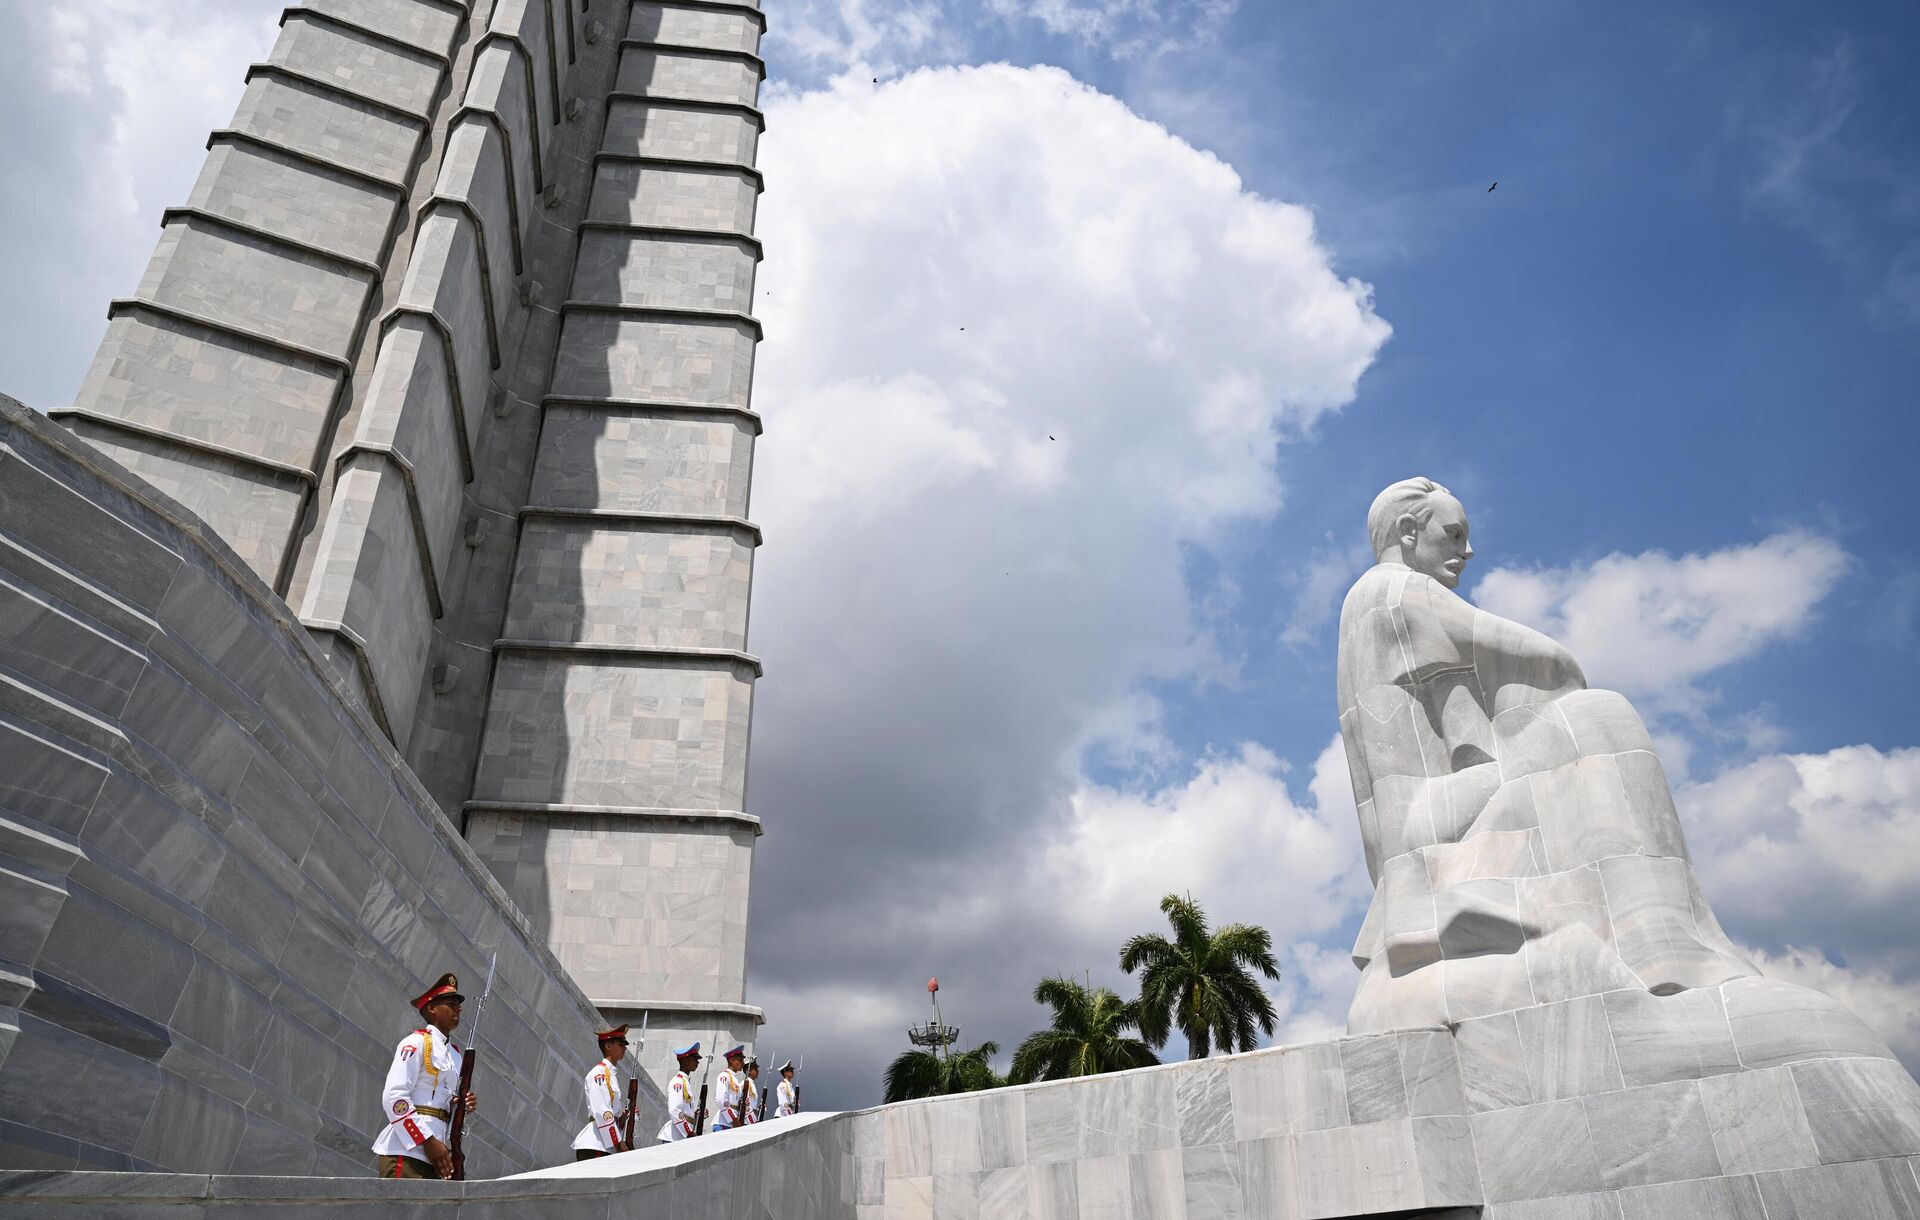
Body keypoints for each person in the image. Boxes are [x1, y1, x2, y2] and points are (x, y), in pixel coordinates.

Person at [372, 972, 479, 1179]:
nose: (458, 1008)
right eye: (450, 1003)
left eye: (458, 1004)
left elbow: (442, 1102)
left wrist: (462, 1105)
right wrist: (428, 1142)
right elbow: (395, 1098)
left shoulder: (456, 1056)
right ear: (431, 1008)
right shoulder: (416, 1043)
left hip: (440, 1152)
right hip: (409, 1148)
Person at [571, 1024, 632, 1160]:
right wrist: (618, 1143)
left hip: (605, 1144)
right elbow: (602, 1111)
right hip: (596, 1145)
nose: (625, 1048)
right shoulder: (600, 1074)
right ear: (608, 1046)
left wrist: (622, 1118)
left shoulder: (610, 1073)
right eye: (621, 1044)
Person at [657, 1041, 702, 1142]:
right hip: (675, 1137)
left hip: (682, 1135)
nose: (697, 1062)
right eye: (694, 1059)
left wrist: (697, 1114)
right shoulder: (678, 1082)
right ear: (685, 1060)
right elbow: (675, 1110)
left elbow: (685, 1110)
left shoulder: (685, 1081)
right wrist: (688, 1133)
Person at [710, 1045, 748, 1131]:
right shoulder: (724, 1076)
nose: (743, 1063)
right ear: (731, 1060)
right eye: (740, 1060)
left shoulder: (735, 1079)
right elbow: (721, 1100)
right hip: (724, 1123)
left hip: (731, 1123)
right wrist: (733, 1120)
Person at [742, 1058, 761, 1124]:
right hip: (746, 1120)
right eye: (755, 1069)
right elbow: (745, 1103)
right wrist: (752, 1120)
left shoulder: (752, 1084)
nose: (758, 1071)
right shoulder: (744, 1083)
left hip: (751, 1118)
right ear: (749, 1071)